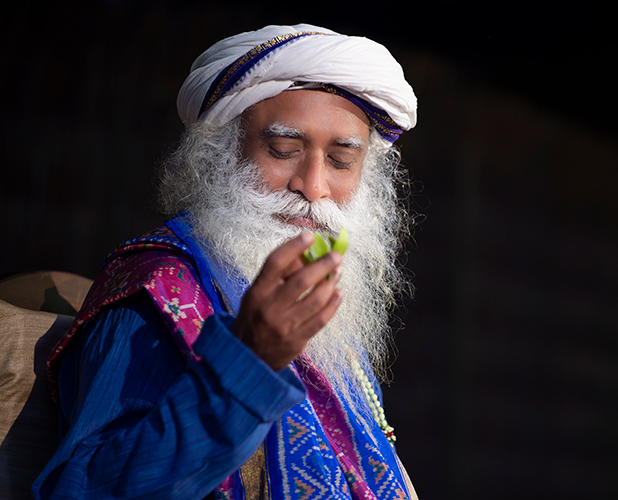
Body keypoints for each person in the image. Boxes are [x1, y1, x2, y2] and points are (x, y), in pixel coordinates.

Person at [32, 23, 419, 500]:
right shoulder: (154, 289)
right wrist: (248, 364)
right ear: (220, 153)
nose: (313, 187)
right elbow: (86, 490)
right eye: (282, 150)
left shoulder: (328, 321)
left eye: (341, 161)